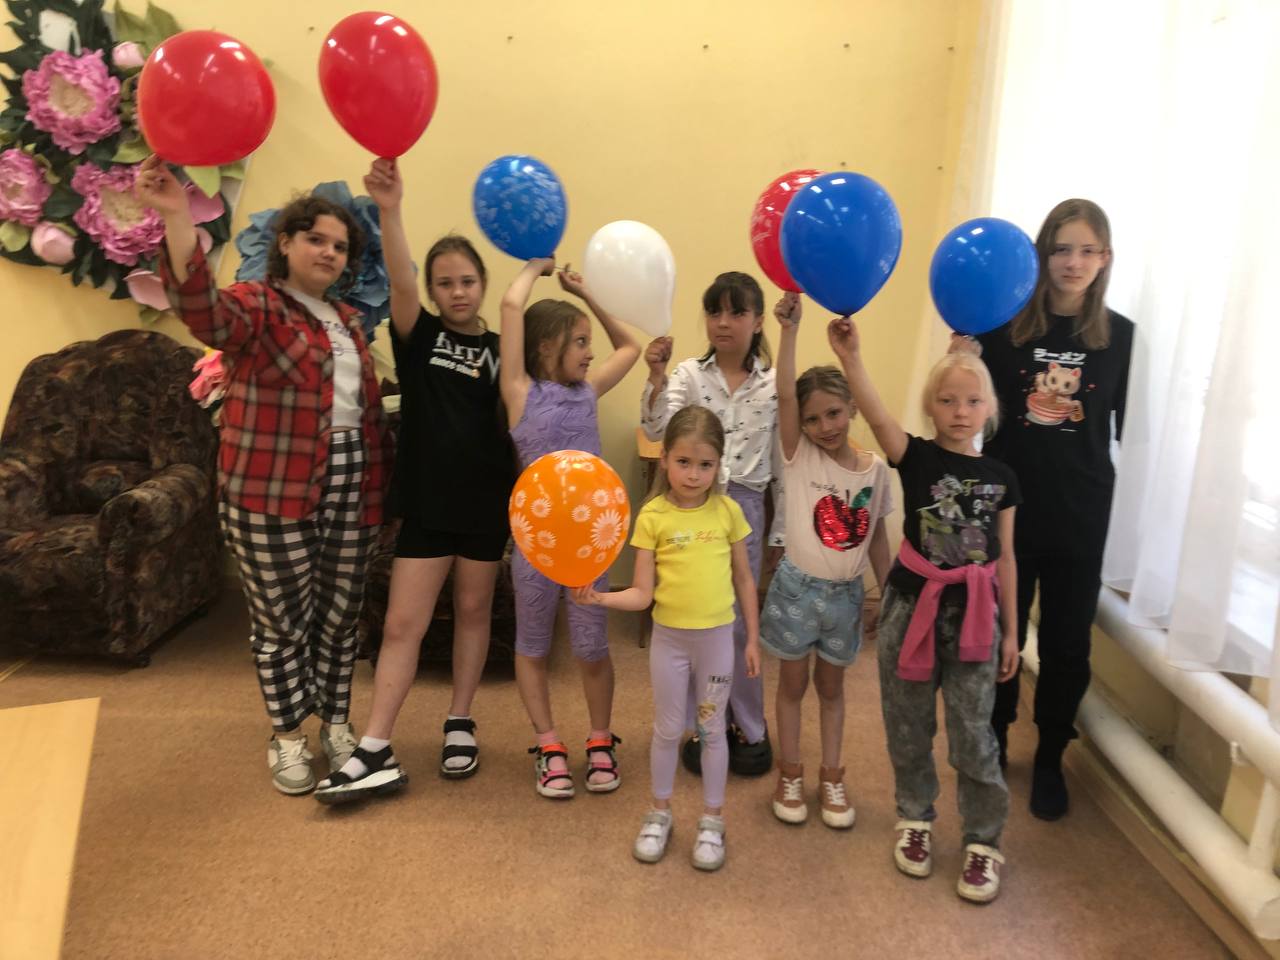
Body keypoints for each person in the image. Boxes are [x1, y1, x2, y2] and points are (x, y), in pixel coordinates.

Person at [136, 154, 392, 796]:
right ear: (285, 243)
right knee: (282, 623)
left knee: (340, 617)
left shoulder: (348, 321)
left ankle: (336, 723)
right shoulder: (258, 306)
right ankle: (287, 735)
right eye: (316, 239)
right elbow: (202, 310)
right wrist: (176, 216)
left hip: (351, 486)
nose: (328, 253)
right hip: (269, 492)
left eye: (340, 246)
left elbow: (361, 412)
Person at [316, 159, 516, 803]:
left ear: (482, 284)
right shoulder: (419, 334)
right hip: (428, 503)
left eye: (467, 281)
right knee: (404, 624)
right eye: (444, 283)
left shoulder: (502, 348)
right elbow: (399, 278)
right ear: (431, 291)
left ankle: (460, 720)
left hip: (486, 502)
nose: (457, 292)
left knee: (473, 612)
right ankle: (375, 744)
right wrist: (391, 208)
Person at [837, 314, 1020, 904]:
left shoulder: (1002, 477)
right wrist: (851, 358)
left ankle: (983, 839)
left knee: (973, 733)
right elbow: (875, 416)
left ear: (990, 408)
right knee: (908, 725)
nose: (960, 411)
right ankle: (914, 817)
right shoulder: (914, 457)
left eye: (972, 401)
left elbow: (1007, 557)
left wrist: (1012, 634)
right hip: (910, 610)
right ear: (930, 407)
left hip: (976, 619)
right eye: (947, 400)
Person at [962, 198, 1133, 822]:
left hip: (1081, 518)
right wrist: (961, 357)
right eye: (1062, 248)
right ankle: (995, 739)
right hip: (1007, 515)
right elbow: (966, 413)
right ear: (1042, 255)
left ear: (1105, 259)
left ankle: (1051, 756)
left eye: (1088, 250)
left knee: (1066, 646)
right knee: (999, 637)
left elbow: (1135, 436)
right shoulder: (1001, 330)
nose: (1073, 262)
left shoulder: (1122, 338)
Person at [575, 406, 760, 870]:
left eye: (705, 464)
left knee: (711, 730)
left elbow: (744, 580)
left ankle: (712, 820)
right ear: (664, 460)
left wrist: (752, 639)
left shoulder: (729, 512)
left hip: (717, 641)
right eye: (683, 462)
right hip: (670, 643)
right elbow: (642, 594)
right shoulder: (653, 516)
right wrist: (599, 598)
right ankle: (659, 812)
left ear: (719, 465)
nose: (694, 475)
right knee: (667, 728)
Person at [500, 256, 641, 798]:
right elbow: (511, 304)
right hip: (535, 548)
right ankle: (549, 744)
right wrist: (535, 267)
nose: (590, 352)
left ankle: (600, 738)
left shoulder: (588, 390)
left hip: (587, 551)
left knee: (592, 647)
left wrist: (587, 296)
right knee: (532, 645)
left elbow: (629, 347)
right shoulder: (520, 391)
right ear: (545, 347)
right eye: (580, 342)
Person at [640, 272, 780, 777]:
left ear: (757, 320)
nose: (723, 322)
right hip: (692, 508)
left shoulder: (772, 384)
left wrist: (781, 531)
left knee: (738, 624)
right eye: (714, 311)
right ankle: (706, 723)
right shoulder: (688, 375)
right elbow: (658, 428)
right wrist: (656, 377)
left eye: (737, 312)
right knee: (698, 622)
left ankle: (748, 723)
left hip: (745, 508)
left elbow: (782, 461)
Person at [761, 292, 893, 829]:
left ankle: (832, 776)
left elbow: (877, 537)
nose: (825, 425)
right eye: (813, 418)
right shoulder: (799, 456)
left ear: (853, 407)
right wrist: (790, 330)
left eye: (834, 412)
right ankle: (790, 773)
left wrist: (890, 594)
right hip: (796, 592)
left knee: (834, 690)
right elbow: (785, 398)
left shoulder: (876, 471)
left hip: (845, 599)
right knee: (792, 686)